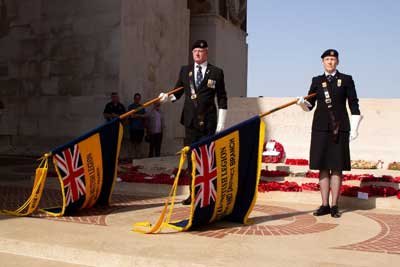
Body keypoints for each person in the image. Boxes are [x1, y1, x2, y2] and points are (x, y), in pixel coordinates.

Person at [159, 39, 228, 205]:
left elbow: (222, 98)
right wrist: (167, 98)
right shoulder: (185, 71)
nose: (197, 53)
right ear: (192, 53)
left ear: (206, 53)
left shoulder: (216, 72)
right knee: (192, 160)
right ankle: (193, 194)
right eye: (195, 51)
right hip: (191, 124)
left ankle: (210, 193)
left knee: (208, 160)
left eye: (201, 51)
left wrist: (221, 123)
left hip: (210, 123)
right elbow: (178, 93)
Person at [296, 49, 362, 218]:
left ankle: (334, 206)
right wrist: (302, 103)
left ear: (337, 62)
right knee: (323, 167)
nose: (330, 62)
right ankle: (324, 205)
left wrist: (354, 128)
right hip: (320, 129)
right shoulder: (317, 81)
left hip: (339, 128)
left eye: (333, 59)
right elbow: (309, 106)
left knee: (337, 167)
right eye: (327, 59)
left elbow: (354, 104)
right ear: (322, 62)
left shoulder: (346, 79)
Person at [127, 93, 146, 158]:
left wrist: (136, 115)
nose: (137, 100)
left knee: (139, 143)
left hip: (140, 128)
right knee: (132, 143)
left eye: (138, 98)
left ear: (140, 99)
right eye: (136, 98)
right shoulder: (131, 107)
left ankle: (138, 156)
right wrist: (139, 116)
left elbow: (145, 115)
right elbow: (130, 116)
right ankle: (132, 156)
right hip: (133, 128)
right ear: (134, 99)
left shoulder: (141, 107)